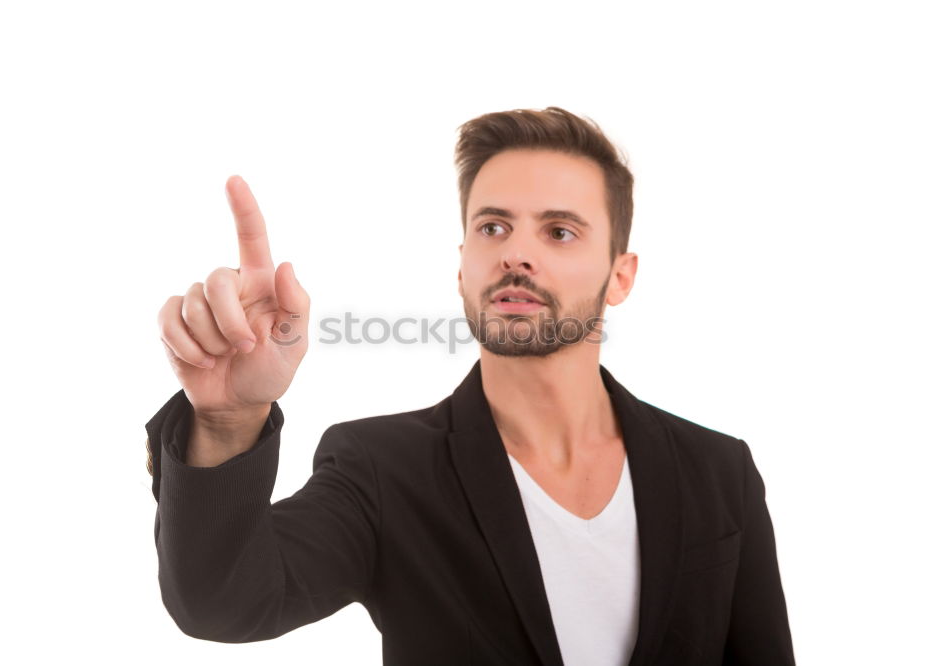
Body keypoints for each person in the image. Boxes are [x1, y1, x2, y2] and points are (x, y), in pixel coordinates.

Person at [146, 106, 796, 665]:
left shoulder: (719, 471)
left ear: (620, 277)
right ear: (463, 267)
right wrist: (230, 416)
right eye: (493, 227)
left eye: (559, 231)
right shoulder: (383, 470)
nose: (517, 252)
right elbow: (223, 600)